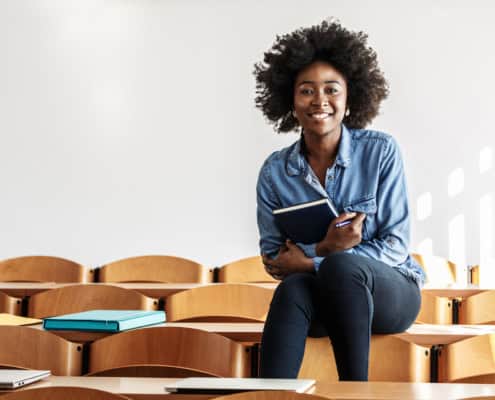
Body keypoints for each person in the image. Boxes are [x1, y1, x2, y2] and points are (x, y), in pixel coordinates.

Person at [254, 19, 426, 381]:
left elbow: (395, 246)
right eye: (306, 91)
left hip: (391, 292)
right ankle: (267, 394)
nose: (320, 101)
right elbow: (275, 259)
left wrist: (317, 258)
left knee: (339, 267)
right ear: (291, 101)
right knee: (293, 289)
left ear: (350, 100)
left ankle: (354, 392)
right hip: (321, 296)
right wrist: (322, 250)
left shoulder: (381, 152)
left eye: (332, 90)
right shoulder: (274, 172)